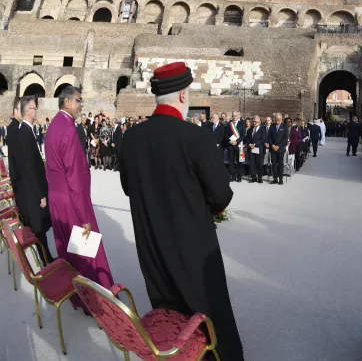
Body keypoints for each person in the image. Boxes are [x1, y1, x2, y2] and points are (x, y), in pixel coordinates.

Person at [118, 62, 244, 361]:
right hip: (193, 249)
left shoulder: (131, 138)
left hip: (151, 245)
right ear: (184, 96)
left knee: (168, 308)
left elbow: (127, 187)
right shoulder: (195, 137)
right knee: (210, 314)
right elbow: (221, 195)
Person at [45, 86, 115, 312]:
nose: (81, 104)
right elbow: (74, 175)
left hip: (56, 197)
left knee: (68, 251)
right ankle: (97, 302)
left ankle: (75, 295)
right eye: (78, 100)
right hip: (71, 200)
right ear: (66, 102)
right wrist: (84, 214)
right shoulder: (67, 128)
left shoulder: (54, 125)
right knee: (86, 254)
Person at [13, 96, 54, 265]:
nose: (36, 110)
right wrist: (40, 195)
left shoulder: (25, 130)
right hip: (32, 191)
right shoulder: (25, 133)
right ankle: (47, 262)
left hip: (30, 188)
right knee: (38, 228)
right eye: (34, 108)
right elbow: (29, 168)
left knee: (39, 229)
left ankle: (46, 258)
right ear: (28, 112)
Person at [268, 113, 289, 185]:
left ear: (281, 120)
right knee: (274, 164)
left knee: (280, 164)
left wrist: (278, 146)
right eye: (276, 120)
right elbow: (269, 137)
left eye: (278, 120)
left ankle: (280, 179)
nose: (277, 122)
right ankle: (275, 178)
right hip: (273, 148)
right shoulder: (272, 126)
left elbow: (285, 139)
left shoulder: (284, 127)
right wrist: (272, 145)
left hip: (280, 149)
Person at [225, 111, 245, 182]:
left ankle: (239, 176)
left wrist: (237, 141)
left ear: (238, 116)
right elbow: (226, 135)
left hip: (239, 145)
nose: (234, 117)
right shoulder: (229, 124)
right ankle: (233, 176)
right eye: (233, 116)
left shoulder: (242, 123)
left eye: (236, 116)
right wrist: (230, 141)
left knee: (239, 162)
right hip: (231, 146)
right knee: (231, 162)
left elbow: (243, 135)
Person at [246, 115, 265, 183]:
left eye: (256, 122)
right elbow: (247, 138)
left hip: (258, 148)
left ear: (259, 122)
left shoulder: (263, 129)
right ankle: (253, 177)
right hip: (251, 148)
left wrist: (255, 144)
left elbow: (263, 139)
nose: (254, 123)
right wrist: (249, 144)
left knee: (259, 163)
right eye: (253, 121)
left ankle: (259, 178)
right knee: (252, 163)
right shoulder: (250, 129)